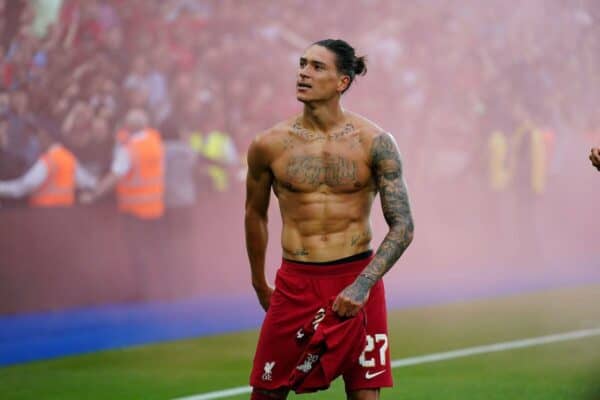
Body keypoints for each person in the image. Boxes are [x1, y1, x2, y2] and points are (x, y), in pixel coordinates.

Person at [245, 39, 414, 400]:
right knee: (265, 393)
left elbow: (403, 226)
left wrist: (362, 285)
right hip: (295, 282)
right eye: (303, 64)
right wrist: (260, 283)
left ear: (343, 82)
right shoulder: (268, 144)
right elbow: (255, 214)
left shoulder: (375, 142)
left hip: (357, 279)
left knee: (365, 395)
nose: (303, 72)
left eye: (317, 66)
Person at [0, 120, 96, 206]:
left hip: (42, 216)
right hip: (66, 216)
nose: (36, 138)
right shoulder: (69, 158)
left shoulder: (48, 161)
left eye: (38, 134)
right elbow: (91, 182)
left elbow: (22, 188)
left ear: (46, 136)